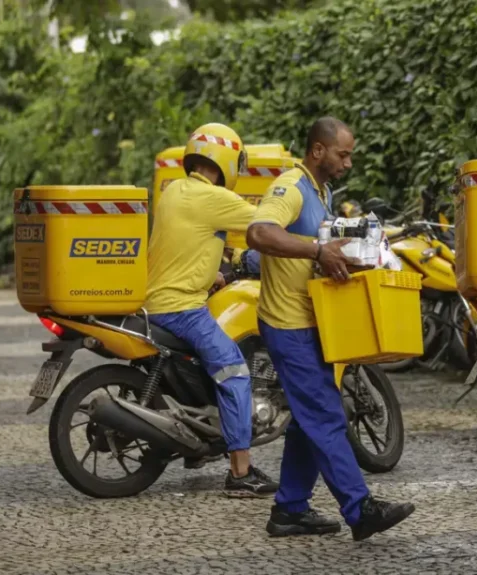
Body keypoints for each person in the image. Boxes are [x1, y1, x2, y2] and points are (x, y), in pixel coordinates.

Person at [246, 116, 415, 541]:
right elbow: (259, 233)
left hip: (312, 321)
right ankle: (360, 510)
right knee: (324, 413)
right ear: (318, 150)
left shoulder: (323, 192)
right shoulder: (291, 187)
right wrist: (319, 250)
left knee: (308, 419)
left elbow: (317, 251)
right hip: (288, 324)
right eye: (343, 154)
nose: (349, 162)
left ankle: (289, 509)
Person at [144, 122, 279, 497]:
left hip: (157, 301)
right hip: (181, 308)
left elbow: (192, 242)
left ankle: (199, 443)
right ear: (226, 159)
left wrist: (216, 272)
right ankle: (241, 473)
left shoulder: (174, 192)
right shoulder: (212, 198)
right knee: (235, 373)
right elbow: (267, 225)